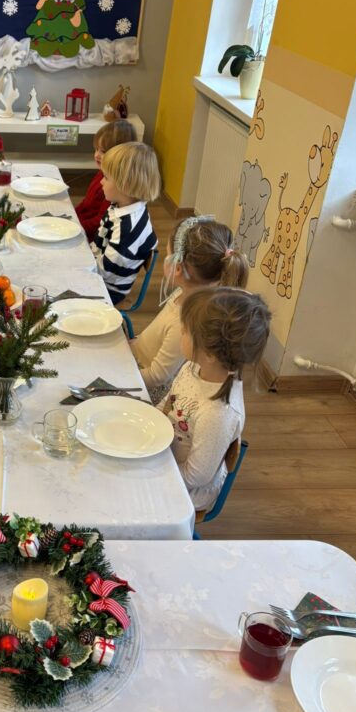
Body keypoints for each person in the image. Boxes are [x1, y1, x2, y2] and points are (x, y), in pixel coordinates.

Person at [160, 288, 270, 513]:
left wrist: (152, 475)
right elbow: (168, 402)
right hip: (164, 454)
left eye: (186, 330)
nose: (181, 331)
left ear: (210, 354)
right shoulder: (194, 367)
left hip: (185, 491)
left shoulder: (217, 414)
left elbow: (195, 476)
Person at [131, 217, 250, 403]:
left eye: (168, 254)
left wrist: (119, 377)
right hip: (135, 362)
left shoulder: (184, 322)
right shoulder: (182, 293)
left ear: (178, 268)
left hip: (143, 389)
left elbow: (156, 377)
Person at [89, 141, 161, 305]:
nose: (101, 182)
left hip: (107, 290)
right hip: (98, 269)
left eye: (106, 178)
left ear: (125, 185)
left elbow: (105, 272)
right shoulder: (120, 205)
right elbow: (100, 239)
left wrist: (77, 266)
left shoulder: (127, 230)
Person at [76, 119, 136, 241]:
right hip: (82, 224)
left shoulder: (115, 188)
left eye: (103, 151)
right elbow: (86, 203)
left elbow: (100, 222)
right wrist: (72, 214)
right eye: (96, 149)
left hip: (91, 237)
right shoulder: (102, 173)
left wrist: (75, 226)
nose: (96, 155)